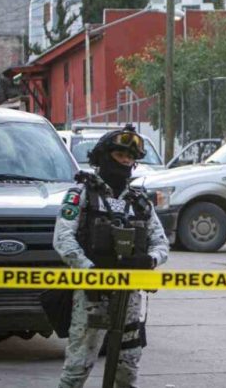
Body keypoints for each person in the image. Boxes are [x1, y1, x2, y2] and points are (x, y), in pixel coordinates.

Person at [53, 124, 169, 388]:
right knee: (78, 366)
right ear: (104, 157)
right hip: (91, 293)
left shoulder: (140, 202)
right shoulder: (80, 195)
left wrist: (148, 260)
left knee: (127, 367)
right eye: (119, 156)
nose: (125, 162)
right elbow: (63, 238)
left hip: (130, 297)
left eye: (130, 158)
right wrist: (89, 270)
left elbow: (161, 243)